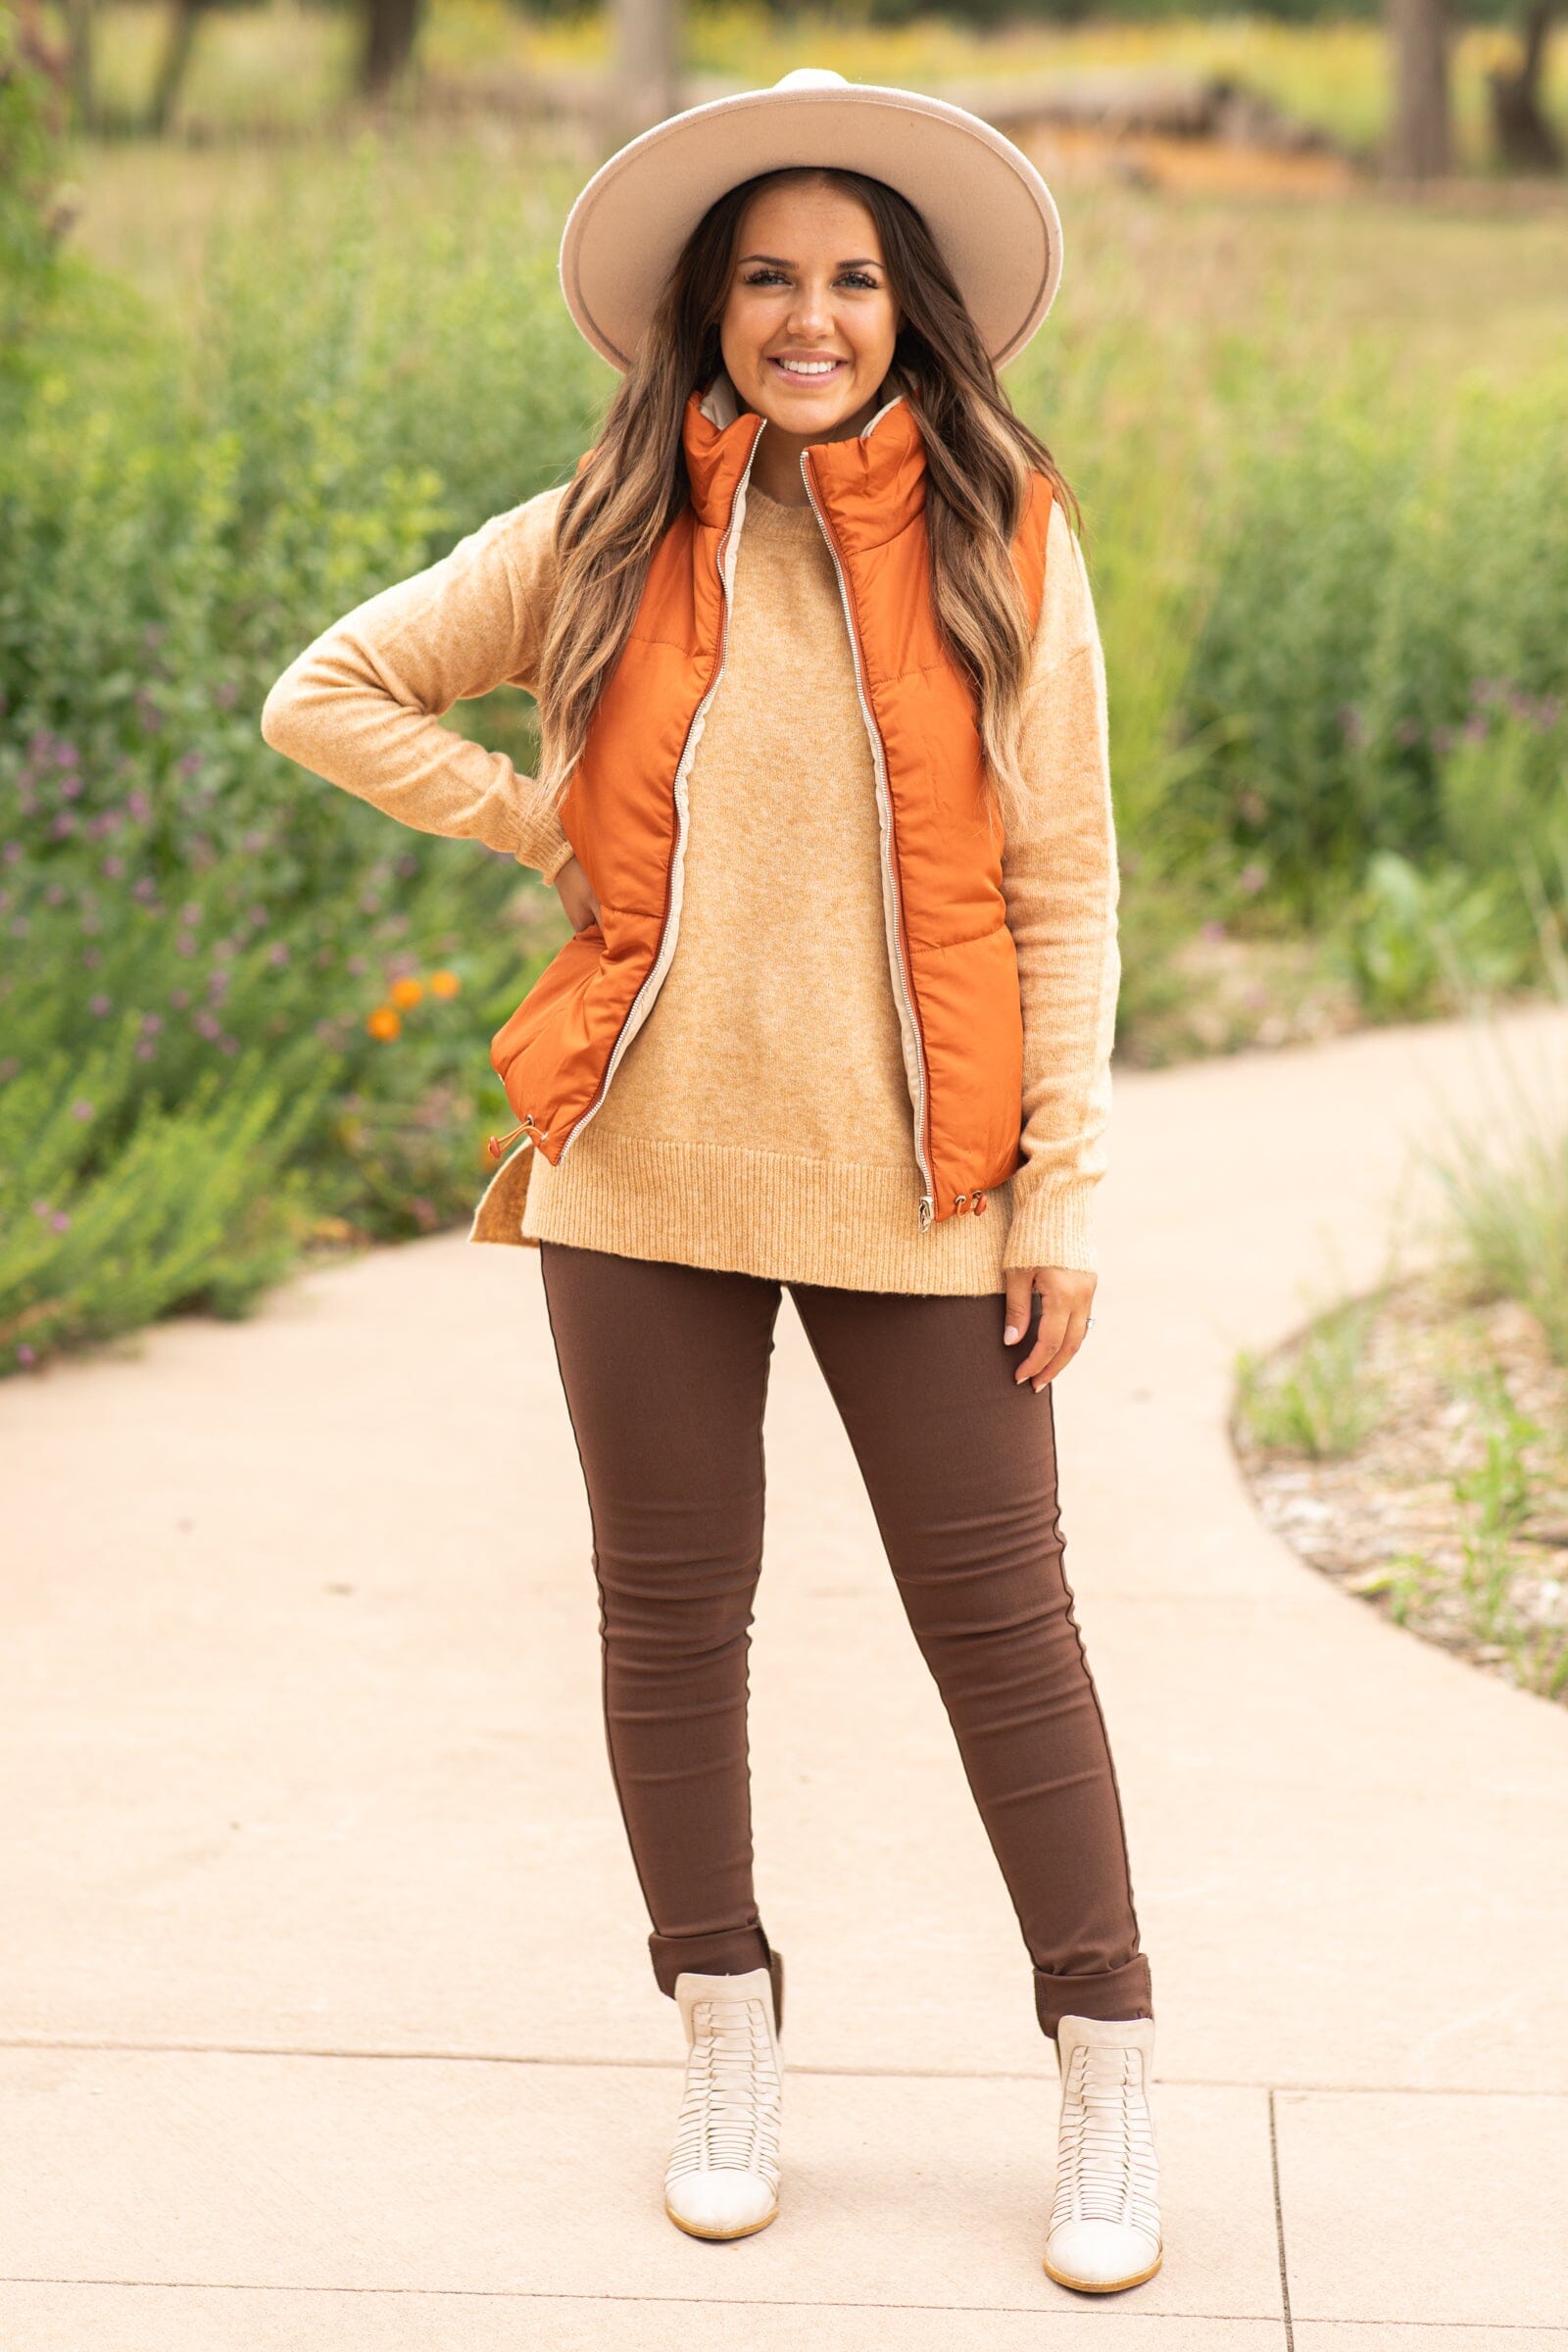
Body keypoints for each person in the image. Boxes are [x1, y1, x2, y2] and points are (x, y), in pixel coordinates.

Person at [260, 68, 1160, 2295]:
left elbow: (1064, 888)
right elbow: (328, 689)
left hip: (920, 1184)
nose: (809, 314)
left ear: (910, 309)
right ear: (706, 305)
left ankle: (1106, 2074)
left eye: (850, 278)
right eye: (766, 277)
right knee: (668, 1628)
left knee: (1005, 1638)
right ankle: (723, 2033)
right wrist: (536, 816)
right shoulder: (596, 525)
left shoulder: (1002, 535)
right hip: (640, 1176)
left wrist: (1058, 1189)